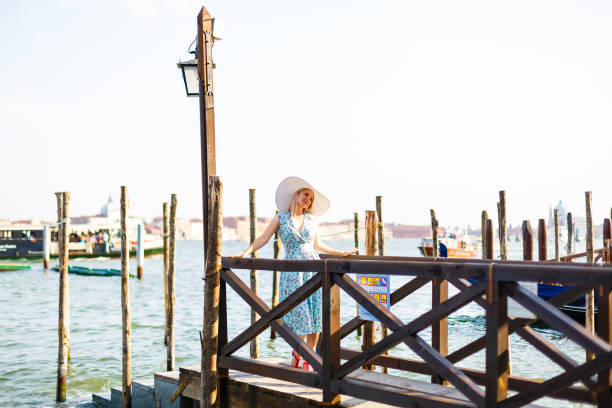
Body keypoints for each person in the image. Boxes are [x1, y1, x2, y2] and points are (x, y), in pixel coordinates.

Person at [231, 176, 357, 370]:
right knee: (298, 316)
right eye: (306, 195)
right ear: (297, 194)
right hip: (291, 273)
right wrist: (244, 253)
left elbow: (318, 245)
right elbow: (264, 238)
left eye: (311, 198)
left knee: (315, 315)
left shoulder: (312, 219)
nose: (308, 199)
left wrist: (342, 253)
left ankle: (308, 359)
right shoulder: (280, 218)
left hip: (313, 268)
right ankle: (298, 353)